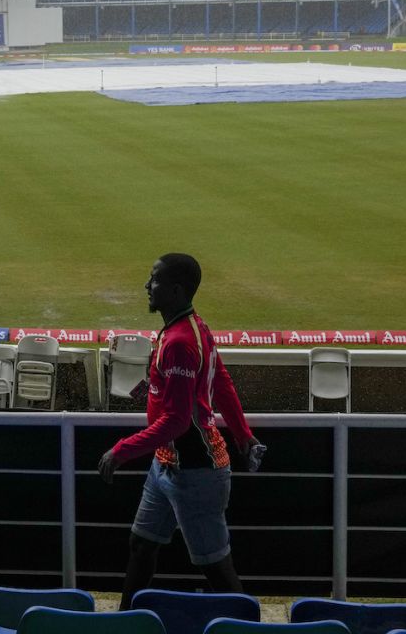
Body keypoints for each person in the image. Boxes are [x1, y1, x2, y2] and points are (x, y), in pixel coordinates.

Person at [98, 253, 260, 602]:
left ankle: (247, 627)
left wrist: (121, 451)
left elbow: (176, 421)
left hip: (195, 475)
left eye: (153, 280)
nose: (146, 286)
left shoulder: (182, 342)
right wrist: (243, 434)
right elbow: (222, 383)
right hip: (167, 465)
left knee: (216, 569)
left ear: (175, 290)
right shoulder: (189, 328)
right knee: (142, 544)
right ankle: (127, 624)